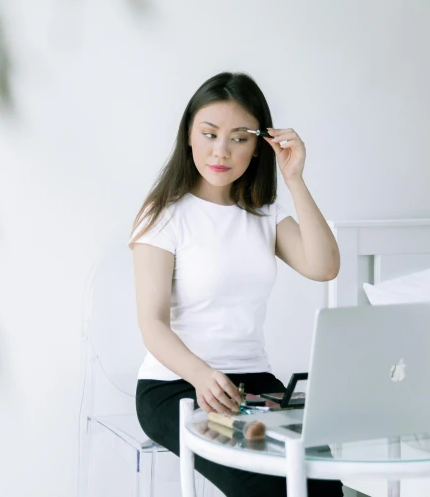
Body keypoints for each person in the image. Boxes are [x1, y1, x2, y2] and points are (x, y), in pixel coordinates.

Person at [128, 72, 343, 496]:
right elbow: (152, 323)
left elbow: (324, 266)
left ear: (259, 145)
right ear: (189, 135)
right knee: (265, 489)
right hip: (177, 387)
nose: (221, 151)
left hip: (253, 384)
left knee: (321, 485)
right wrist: (202, 374)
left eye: (239, 138)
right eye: (209, 134)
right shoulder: (163, 214)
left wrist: (295, 178)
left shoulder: (263, 214)